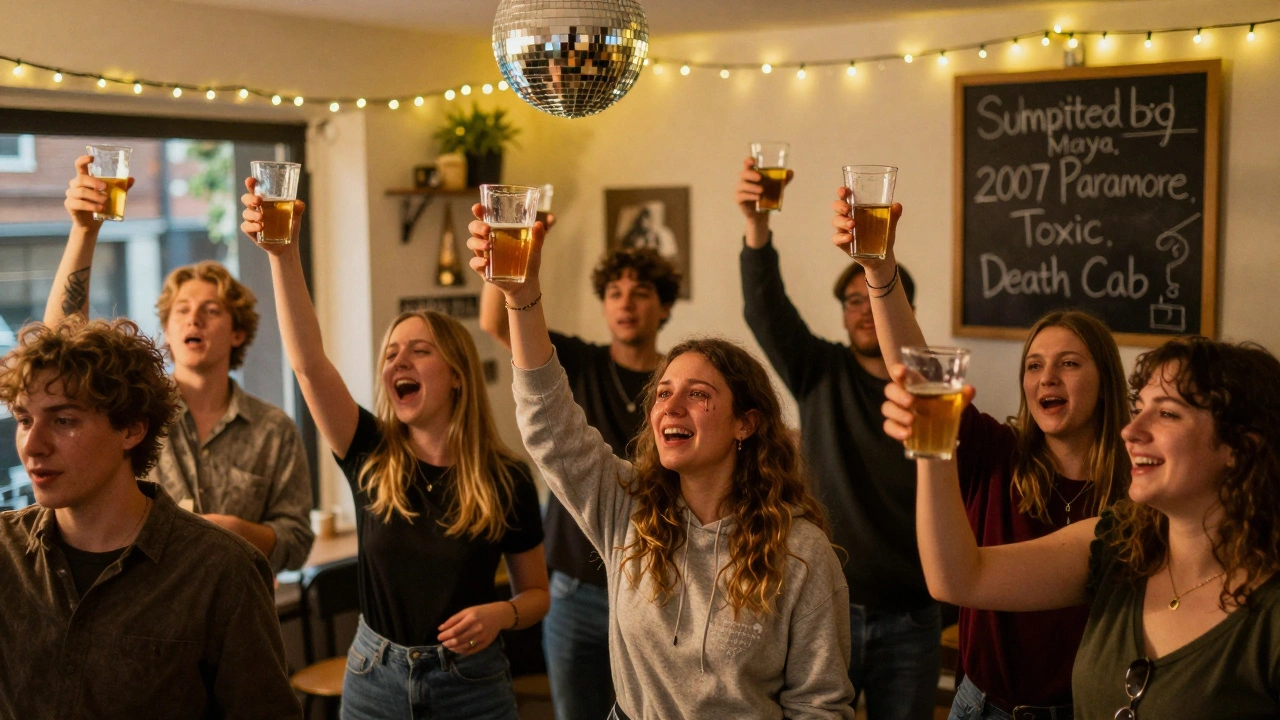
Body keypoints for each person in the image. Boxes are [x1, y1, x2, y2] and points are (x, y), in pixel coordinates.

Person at [467, 214, 856, 719]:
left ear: (746, 423)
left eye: (698, 395)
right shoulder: (627, 506)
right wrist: (521, 295)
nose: (671, 408)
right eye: (664, 393)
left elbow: (820, 705)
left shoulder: (801, 554)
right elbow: (548, 424)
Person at [240, 183, 549, 720]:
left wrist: (501, 613)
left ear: (455, 376)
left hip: (471, 685)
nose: (397, 362)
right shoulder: (369, 451)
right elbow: (310, 364)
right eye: (391, 353)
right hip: (374, 679)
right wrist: (284, 255)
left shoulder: (507, 478)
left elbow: (537, 594)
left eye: (419, 351)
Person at [828, 187, 1130, 719]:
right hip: (979, 704)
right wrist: (880, 271)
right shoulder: (998, 451)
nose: (1047, 378)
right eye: (1034, 365)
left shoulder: (1136, 487)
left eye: (1069, 364)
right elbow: (918, 370)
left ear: (1106, 380)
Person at [883, 336, 1280, 718]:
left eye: (1166, 413)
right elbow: (957, 578)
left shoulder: (1269, 613)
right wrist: (931, 445)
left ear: (1241, 447)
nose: (1132, 430)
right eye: (1138, 407)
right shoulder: (1119, 543)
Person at [0, 316, 301, 719]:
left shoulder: (220, 570)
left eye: (63, 420)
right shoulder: (6, 552)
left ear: (131, 430)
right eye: (23, 420)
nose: (32, 445)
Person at [737, 158, 936, 720]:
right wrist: (757, 228)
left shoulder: (930, 394)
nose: (864, 311)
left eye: (872, 297)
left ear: (901, 306)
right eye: (852, 301)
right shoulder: (819, 372)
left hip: (912, 617)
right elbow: (764, 310)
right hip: (828, 610)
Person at [48, 155, 314, 573]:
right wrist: (84, 230)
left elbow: (297, 542)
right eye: (182, 311)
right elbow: (60, 349)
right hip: (141, 611)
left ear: (238, 332)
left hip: (237, 620)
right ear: (167, 331)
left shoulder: (273, 428)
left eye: (211, 310)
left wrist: (232, 531)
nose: (194, 319)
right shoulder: (133, 414)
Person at [478, 226, 681, 720]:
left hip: (655, 587)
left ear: (666, 308)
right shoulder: (581, 361)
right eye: (615, 293)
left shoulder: (679, 385)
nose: (626, 303)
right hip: (573, 588)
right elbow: (495, 323)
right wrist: (505, 265)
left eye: (641, 293)